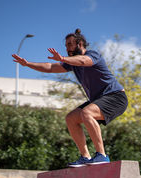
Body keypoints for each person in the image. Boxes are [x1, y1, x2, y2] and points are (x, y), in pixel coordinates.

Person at [12, 29, 128, 167]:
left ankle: (102, 155)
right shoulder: (71, 63)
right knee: (71, 118)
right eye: (66, 46)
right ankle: (85, 157)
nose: (67, 48)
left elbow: (84, 60)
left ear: (79, 44)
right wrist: (28, 64)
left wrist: (62, 59)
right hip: (99, 99)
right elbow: (50, 67)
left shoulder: (92, 55)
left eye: (70, 45)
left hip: (116, 97)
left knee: (87, 113)